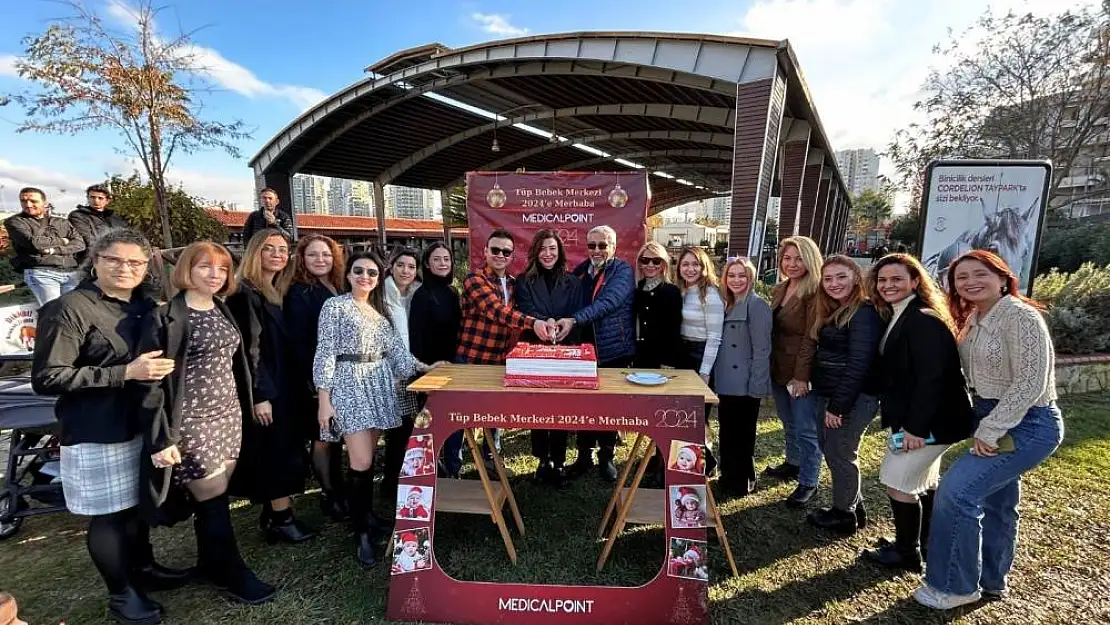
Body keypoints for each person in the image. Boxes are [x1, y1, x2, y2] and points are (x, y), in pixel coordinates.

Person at [31, 228, 188, 624]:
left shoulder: (141, 306)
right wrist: (124, 373)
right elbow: (48, 378)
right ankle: (121, 593)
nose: (125, 268)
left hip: (139, 424)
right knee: (110, 517)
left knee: (135, 508)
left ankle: (144, 570)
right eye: (115, 260)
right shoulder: (69, 308)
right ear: (96, 260)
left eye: (135, 262)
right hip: (96, 429)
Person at [913, 250, 1063, 610]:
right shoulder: (977, 317)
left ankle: (954, 586)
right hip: (991, 417)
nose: (970, 282)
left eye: (979, 274)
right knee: (998, 504)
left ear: (1002, 276)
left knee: (956, 494)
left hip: (1027, 422)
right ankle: (991, 580)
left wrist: (991, 429)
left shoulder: (1020, 316)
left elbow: (1031, 382)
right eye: (961, 277)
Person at [138, 242, 275, 606]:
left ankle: (210, 563)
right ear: (186, 270)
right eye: (205, 268)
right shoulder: (165, 317)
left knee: (214, 500)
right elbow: (149, 383)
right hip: (191, 422)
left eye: (221, 269)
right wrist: (160, 437)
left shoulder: (222, 309)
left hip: (228, 415)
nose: (214, 275)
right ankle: (234, 575)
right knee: (212, 500)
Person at [314, 251, 442, 568]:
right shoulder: (335, 307)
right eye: (359, 271)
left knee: (368, 461)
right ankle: (359, 534)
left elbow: (399, 355)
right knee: (360, 460)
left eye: (371, 273)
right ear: (348, 274)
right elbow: (325, 352)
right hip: (350, 386)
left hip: (379, 385)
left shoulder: (376, 313)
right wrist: (324, 400)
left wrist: (429, 368)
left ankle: (367, 516)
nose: (365, 277)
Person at [862, 253, 973, 572]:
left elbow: (932, 379)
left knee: (898, 481)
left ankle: (906, 553)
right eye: (882, 280)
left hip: (930, 423)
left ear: (915, 281)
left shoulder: (923, 318)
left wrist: (915, 429)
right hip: (923, 420)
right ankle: (922, 543)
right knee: (923, 481)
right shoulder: (900, 314)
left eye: (897, 279)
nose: (888, 285)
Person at [226, 229, 316, 545]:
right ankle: (282, 519)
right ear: (254, 252)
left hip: (283, 385)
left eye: (282, 249)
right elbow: (249, 350)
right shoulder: (244, 294)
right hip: (268, 389)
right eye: (269, 249)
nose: (278, 254)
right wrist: (261, 395)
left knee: (283, 448)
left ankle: (272, 513)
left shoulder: (272, 290)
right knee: (278, 452)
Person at [452, 230, 554, 476]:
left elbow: (524, 309)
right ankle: (451, 469)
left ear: (511, 256)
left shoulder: (512, 282)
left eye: (505, 252)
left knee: (493, 416)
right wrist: (534, 324)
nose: (500, 255)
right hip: (471, 360)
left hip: (498, 360)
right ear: (485, 251)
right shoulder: (474, 279)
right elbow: (497, 311)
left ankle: (491, 462)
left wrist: (548, 319)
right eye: (495, 250)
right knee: (458, 419)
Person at [805, 255, 883, 534]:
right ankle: (853, 505)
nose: (834, 284)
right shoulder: (837, 309)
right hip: (831, 394)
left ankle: (843, 515)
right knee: (833, 450)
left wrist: (838, 407)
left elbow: (859, 364)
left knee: (841, 453)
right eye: (828, 279)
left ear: (856, 278)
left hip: (851, 399)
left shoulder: (863, 312)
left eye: (841, 277)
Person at [560, 225, 635, 482]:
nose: (597, 250)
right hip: (585, 350)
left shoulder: (623, 271)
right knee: (583, 405)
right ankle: (583, 456)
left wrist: (573, 320)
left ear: (614, 247)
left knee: (609, 407)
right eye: (592, 245)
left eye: (603, 245)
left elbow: (608, 303)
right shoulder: (581, 271)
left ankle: (606, 456)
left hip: (613, 351)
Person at [282, 235, 347, 522]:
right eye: (313, 255)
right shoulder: (300, 292)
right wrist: (317, 381)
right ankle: (329, 493)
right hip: (317, 377)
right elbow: (301, 342)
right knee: (322, 437)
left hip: (342, 373)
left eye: (326, 254)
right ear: (302, 259)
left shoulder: (336, 286)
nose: (321, 260)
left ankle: (338, 487)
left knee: (336, 435)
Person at [514, 230, 584, 487]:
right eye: (543, 248)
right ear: (535, 251)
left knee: (561, 407)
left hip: (565, 351)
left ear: (560, 252)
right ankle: (542, 460)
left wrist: (563, 325)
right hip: (536, 350)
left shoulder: (573, 282)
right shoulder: (523, 281)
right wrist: (544, 322)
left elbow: (577, 313)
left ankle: (559, 460)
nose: (548, 254)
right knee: (538, 406)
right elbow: (525, 309)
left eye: (552, 249)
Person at [765, 236, 824, 508]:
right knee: (788, 422)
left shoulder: (815, 293)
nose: (791, 263)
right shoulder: (781, 288)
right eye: (787, 258)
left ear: (810, 260)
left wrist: (801, 377)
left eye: (798, 258)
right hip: (778, 367)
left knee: (806, 429)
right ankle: (793, 462)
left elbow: (810, 338)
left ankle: (809, 481)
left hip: (800, 372)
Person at [713, 256, 772, 498]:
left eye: (742, 276)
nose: (736, 280)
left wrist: (757, 385)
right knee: (727, 432)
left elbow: (762, 349)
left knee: (743, 435)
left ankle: (742, 481)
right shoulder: (726, 304)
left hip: (745, 383)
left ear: (750, 278)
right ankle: (728, 476)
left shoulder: (757, 306)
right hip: (727, 382)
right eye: (732, 275)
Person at [407, 243, 463, 477]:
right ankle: (431, 468)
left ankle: (453, 465)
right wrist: (424, 372)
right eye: (437, 259)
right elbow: (416, 337)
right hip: (430, 369)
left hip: (453, 366)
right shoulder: (421, 295)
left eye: (446, 260)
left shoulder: (452, 292)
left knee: (456, 418)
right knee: (431, 422)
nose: (442, 264)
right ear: (427, 264)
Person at [380, 247, 424, 503]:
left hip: (413, 372)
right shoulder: (381, 296)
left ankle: (406, 481)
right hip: (390, 376)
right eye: (401, 265)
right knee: (396, 433)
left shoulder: (415, 295)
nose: (406, 271)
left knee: (410, 429)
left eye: (411, 266)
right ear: (392, 267)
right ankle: (391, 484)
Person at [676, 246, 725, 475]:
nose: (690, 269)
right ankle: (689, 463)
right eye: (685, 264)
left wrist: (705, 371)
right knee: (684, 415)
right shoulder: (682, 291)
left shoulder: (711, 295)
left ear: (704, 267)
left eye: (695, 264)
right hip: (683, 354)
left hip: (701, 355)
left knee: (697, 416)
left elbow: (715, 337)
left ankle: (706, 464)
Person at [5, 187, 85, 306]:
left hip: (71, 272)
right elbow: (34, 243)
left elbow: (80, 244)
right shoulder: (15, 222)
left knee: (72, 312)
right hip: (41, 272)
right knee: (53, 312)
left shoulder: (62, 222)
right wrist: (64, 240)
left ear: (45, 203)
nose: (28, 204)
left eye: (33, 201)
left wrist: (55, 250)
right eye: (23, 201)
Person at [633, 241, 683, 369]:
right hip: (638, 357)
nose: (650, 265)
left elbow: (673, 330)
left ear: (663, 264)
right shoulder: (636, 289)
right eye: (645, 260)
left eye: (656, 261)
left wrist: (668, 362)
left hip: (660, 359)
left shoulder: (670, 291)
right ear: (639, 263)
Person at [68, 184, 129, 262]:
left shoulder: (116, 218)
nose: (96, 201)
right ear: (88, 198)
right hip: (91, 258)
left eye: (100, 198)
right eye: (92, 197)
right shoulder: (77, 216)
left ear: (107, 201)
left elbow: (126, 238)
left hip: (119, 256)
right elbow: (88, 240)